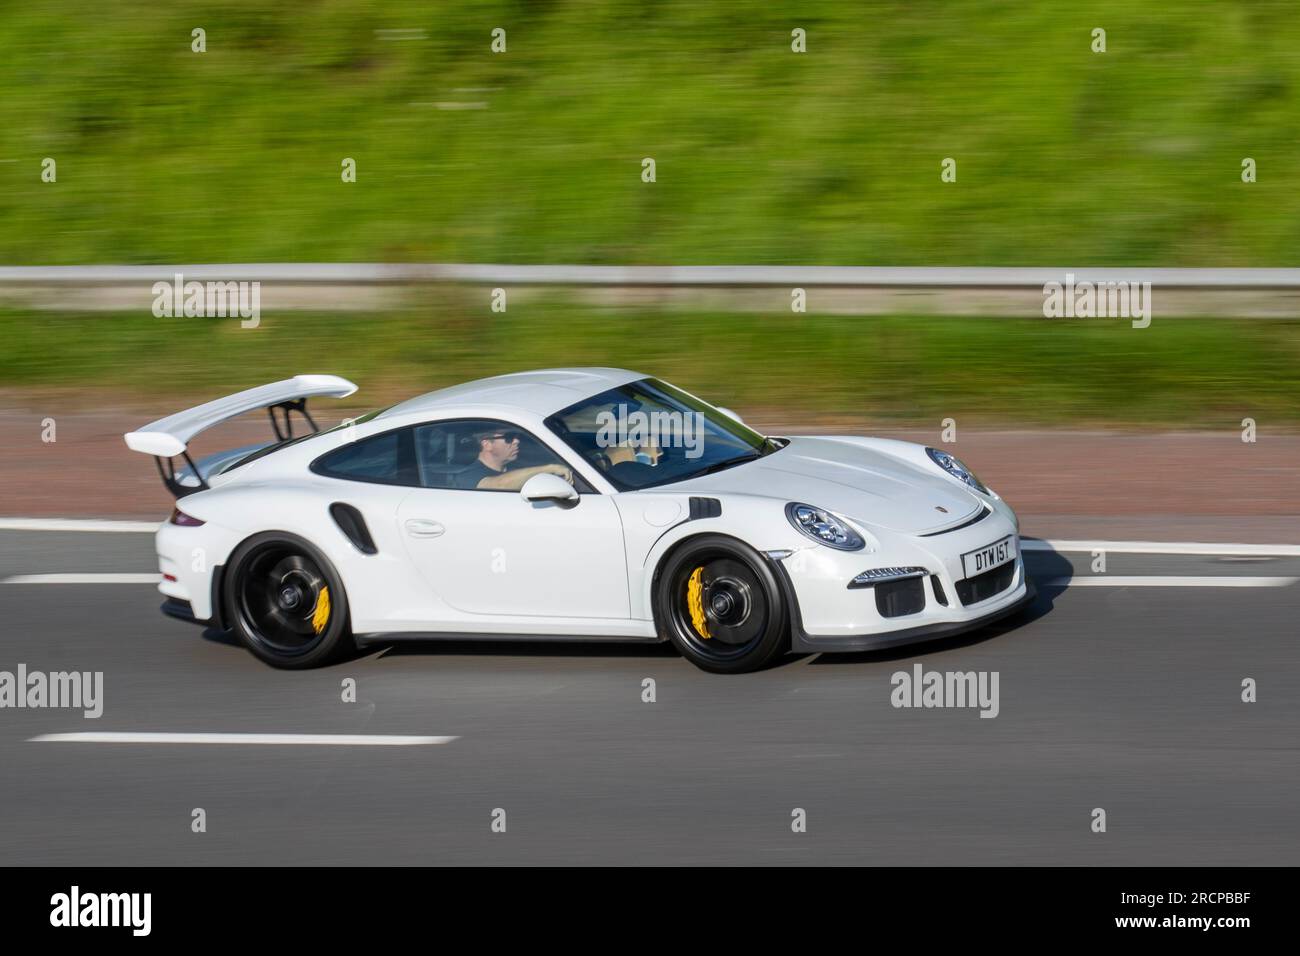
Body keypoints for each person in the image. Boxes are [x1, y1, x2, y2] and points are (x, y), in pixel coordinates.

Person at [453, 428, 574, 491]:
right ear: (487, 444)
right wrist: (550, 469)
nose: (517, 441)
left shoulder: (518, 466)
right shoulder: (468, 476)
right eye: (509, 438)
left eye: (518, 436)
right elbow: (500, 485)